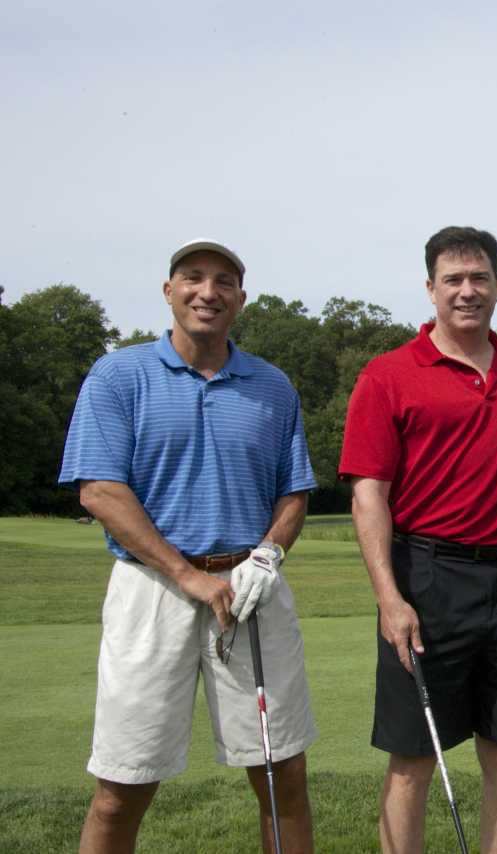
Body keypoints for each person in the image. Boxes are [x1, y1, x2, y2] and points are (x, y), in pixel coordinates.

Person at [59, 238, 319, 853]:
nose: (209, 292)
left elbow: (293, 493)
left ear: (241, 299)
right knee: (122, 785)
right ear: (169, 290)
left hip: (251, 592)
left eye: (224, 281)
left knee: (283, 776)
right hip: (153, 591)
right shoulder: (119, 375)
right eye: (194, 278)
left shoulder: (272, 386)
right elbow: (100, 490)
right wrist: (187, 575)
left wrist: (268, 555)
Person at [340, 226, 497, 854]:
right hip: (428, 579)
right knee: (414, 759)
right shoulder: (388, 375)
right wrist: (389, 597)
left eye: (479, 278)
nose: (467, 291)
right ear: (430, 288)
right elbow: (369, 494)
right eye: (453, 280)